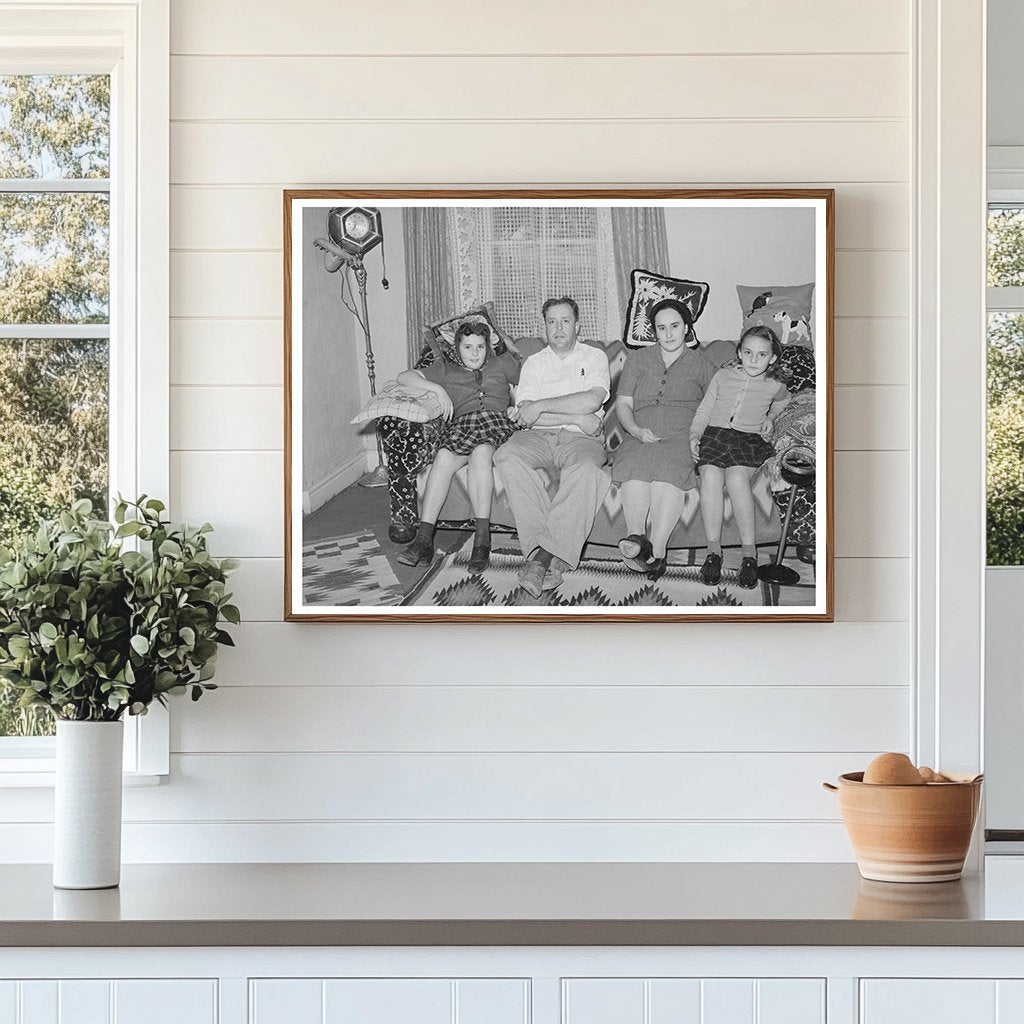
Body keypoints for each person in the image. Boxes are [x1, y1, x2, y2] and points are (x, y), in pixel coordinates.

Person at [493, 297, 611, 597]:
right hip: (538, 436)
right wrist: (578, 417)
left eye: (565, 321)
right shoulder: (534, 362)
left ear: (578, 325)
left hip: (581, 440)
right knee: (505, 456)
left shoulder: (594, 356)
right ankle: (550, 554)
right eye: (551, 322)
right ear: (544, 327)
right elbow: (527, 415)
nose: (558, 328)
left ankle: (541, 558)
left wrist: (547, 407)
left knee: (587, 470)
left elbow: (593, 400)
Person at [395, 321, 521, 572]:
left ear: (488, 347)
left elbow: (530, 378)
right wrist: (437, 390)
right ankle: (423, 540)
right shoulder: (446, 370)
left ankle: (482, 541)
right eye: (468, 347)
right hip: (462, 426)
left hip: (494, 423)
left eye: (480, 347)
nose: (474, 353)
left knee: (481, 453)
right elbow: (404, 377)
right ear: (458, 348)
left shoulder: (501, 363)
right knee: (442, 456)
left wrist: (519, 403)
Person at [611, 298, 717, 581]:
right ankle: (636, 538)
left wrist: (698, 437)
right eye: (661, 328)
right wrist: (635, 431)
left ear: (686, 328)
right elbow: (623, 404)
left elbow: (717, 406)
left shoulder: (702, 364)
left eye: (674, 326)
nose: (668, 334)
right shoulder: (638, 359)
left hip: (682, 434)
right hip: (640, 432)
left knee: (667, 474)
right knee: (634, 465)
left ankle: (657, 553)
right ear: (653, 332)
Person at [689, 324, 791, 589]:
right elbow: (704, 410)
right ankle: (714, 552)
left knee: (735, 478)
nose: (753, 360)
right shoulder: (722, 376)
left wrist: (770, 417)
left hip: (748, 439)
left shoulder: (775, 384)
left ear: (773, 358)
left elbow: (783, 402)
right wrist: (694, 436)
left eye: (761, 354)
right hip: (715, 435)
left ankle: (749, 554)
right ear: (739, 352)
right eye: (747, 352)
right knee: (710, 475)